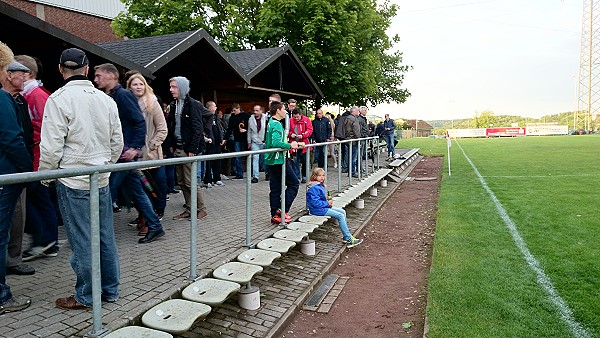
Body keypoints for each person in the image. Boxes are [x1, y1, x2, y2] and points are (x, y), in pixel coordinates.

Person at [39, 47, 124, 310]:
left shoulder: (58, 99)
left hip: (73, 178)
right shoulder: (106, 100)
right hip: (100, 177)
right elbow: (117, 142)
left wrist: (46, 175)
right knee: (104, 235)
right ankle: (110, 290)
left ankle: (87, 296)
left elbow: (51, 146)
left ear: (61, 70)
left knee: (82, 239)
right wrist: (106, 166)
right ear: (87, 69)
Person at [94, 63, 165, 244]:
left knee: (107, 191)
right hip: (122, 154)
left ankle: (98, 235)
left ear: (111, 76)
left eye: (98, 75)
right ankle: (155, 226)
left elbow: (139, 122)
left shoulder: (123, 95)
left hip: (124, 154)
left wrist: (134, 148)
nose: (95, 79)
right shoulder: (111, 95)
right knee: (137, 192)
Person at [15, 55, 60, 261]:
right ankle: (47, 241)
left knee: (34, 198)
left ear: (29, 74)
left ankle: (45, 240)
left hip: (38, 158)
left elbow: (47, 127)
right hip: (35, 157)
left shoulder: (37, 96)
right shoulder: (29, 94)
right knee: (39, 199)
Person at [0, 41, 33, 315]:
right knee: (1, 235)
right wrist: (28, 171)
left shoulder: (14, 99)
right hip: (6, 176)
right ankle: (1, 295)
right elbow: (12, 139)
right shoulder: (2, 98)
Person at [126, 73, 168, 235]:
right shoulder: (127, 103)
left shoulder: (152, 103)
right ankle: (144, 217)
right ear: (129, 87)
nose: (138, 87)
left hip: (150, 155)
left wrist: (151, 145)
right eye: (135, 84)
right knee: (136, 189)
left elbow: (162, 129)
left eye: (141, 84)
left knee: (149, 189)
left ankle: (148, 221)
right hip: (131, 154)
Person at [165, 76, 209, 221]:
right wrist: (171, 145)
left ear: (182, 88)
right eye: (170, 87)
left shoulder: (193, 105)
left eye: (174, 87)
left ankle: (201, 209)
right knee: (182, 181)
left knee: (190, 181)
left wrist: (193, 149)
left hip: (188, 149)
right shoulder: (174, 104)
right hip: (177, 148)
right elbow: (171, 126)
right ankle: (189, 208)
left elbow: (198, 128)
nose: (171, 90)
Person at [265, 101, 302, 224]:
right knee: (294, 184)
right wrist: (289, 145)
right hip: (278, 159)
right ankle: (282, 210)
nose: (286, 111)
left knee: (275, 188)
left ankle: (275, 215)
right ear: (278, 111)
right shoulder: (276, 125)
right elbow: (275, 143)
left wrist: (294, 144)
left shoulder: (271, 122)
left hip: (272, 159)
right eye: (284, 109)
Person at [306, 167, 363, 248]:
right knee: (340, 215)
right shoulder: (314, 187)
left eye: (323, 175)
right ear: (315, 176)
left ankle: (346, 237)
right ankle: (349, 239)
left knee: (342, 212)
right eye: (319, 176)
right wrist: (327, 203)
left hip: (322, 207)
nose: (322, 177)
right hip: (317, 210)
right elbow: (315, 203)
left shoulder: (318, 185)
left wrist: (327, 203)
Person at [224, 103, 250, 179]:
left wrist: (246, 130)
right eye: (232, 110)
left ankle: (251, 173)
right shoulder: (232, 118)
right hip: (237, 139)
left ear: (238, 108)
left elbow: (251, 126)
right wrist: (225, 138)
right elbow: (230, 129)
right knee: (238, 157)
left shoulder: (246, 116)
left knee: (249, 156)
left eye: (234, 110)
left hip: (246, 138)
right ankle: (239, 174)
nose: (233, 112)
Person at [288, 109, 313, 183]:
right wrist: (290, 134)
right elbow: (286, 130)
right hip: (293, 144)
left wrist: (303, 135)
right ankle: (297, 177)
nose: (296, 119)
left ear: (300, 115)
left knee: (305, 161)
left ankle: (304, 176)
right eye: (294, 117)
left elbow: (310, 130)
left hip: (304, 144)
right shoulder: (290, 120)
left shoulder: (306, 120)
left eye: (297, 117)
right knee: (295, 162)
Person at [203, 101, 225, 187]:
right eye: (214, 106)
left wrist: (221, 138)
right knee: (209, 162)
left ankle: (217, 179)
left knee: (217, 162)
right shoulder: (205, 117)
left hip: (217, 143)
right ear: (210, 108)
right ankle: (208, 180)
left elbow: (220, 129)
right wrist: (207, 138)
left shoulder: (216, 118)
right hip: (209, 143)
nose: (216, 108)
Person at [247, 105, 267, 183]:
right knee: (255, 159)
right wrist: (249, 142)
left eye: (257, 110)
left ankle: (267, 173)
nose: (255, 112)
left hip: (264, 141)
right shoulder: (251, 119)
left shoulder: (266, 118)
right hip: (255, 141)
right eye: (254, 110)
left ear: (261, 111)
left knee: (265, 159)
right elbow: (249, 131)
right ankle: (255, 176)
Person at [343, 106, 361, 177]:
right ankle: (352, 172)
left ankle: (349, 171)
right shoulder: (354, 119)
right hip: (353, 140)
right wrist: (358, 138)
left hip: (347, 139)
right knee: (353, 157)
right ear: (354, 111)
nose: (358, 112)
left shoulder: (347, 118)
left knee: (349, 156)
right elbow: (356, 130)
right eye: (357, 111)